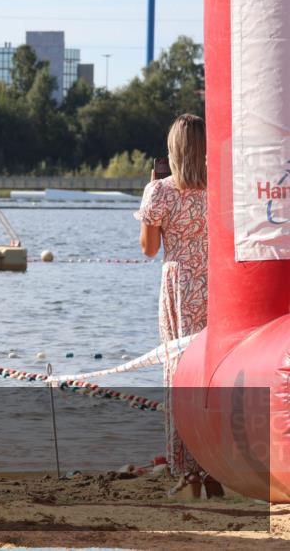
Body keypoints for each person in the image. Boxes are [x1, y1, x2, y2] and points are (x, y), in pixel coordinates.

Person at [135, 113, 219, 498]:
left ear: (173, 149)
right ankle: (216, 465)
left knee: (179, 376)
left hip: (180, 288)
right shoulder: (220, 186)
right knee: (213, 376)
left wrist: (148, 192)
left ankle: (187, 473)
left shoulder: (161, 192)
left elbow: (149, 249)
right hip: (217, 286)